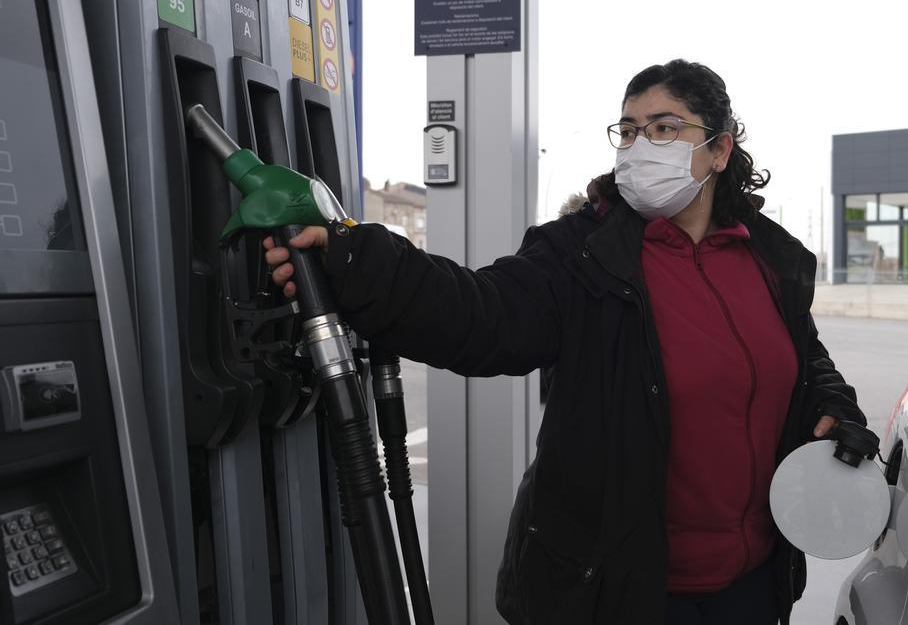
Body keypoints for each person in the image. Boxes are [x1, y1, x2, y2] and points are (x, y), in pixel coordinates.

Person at [264, 59, 865, 625]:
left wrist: (832, 409)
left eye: (664, 127)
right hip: (617, 589)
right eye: (629, 131)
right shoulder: (583, 255)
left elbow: (803, 359)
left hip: (752, 586)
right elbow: (480, 313)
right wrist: (355, 259)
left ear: (720, 148)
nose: (640, 145)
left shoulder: (770, 259)